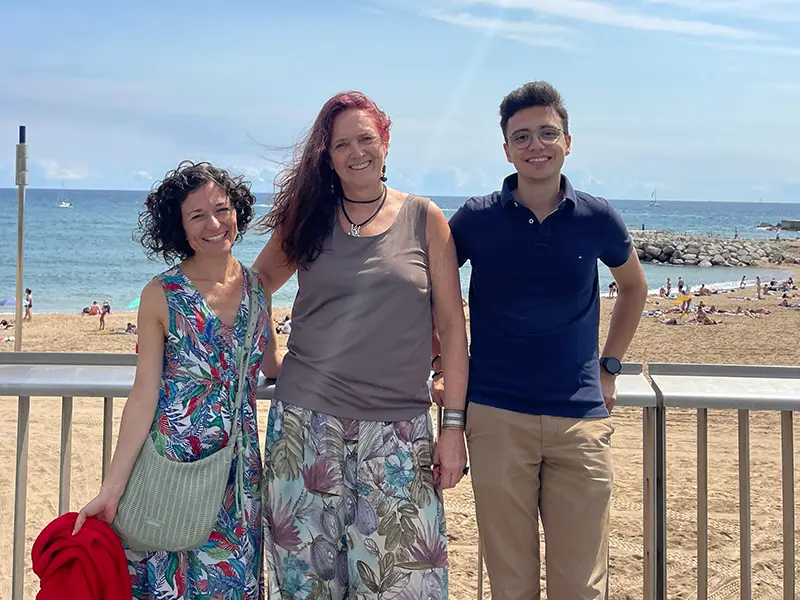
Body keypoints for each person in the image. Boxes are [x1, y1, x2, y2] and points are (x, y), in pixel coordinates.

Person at [433, 81, 648, 600]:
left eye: (548, 133)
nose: (536, 145)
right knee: (511, 584)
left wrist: (610, 367)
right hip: (496, 415)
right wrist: (439, 362)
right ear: (506, 149)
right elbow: (430, 288)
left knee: (582, 585)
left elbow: (634, 287)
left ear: (567, 142)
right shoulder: (477, 217)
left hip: (580, 419)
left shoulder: (597, 216)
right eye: (522, 136)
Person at [253, 90, 469, 600]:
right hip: (306, 428)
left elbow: (453, 327)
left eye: (366, 139)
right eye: (341, 144)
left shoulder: (425, 218)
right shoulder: (309, 217)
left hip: (398, 434)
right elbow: (254, 286)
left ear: (385, 142)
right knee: (306, 587)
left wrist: (454, 427)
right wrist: (270, 357)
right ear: (327, 157)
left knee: (403, 585)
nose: (356, 153)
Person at [73, 161, 282, 599]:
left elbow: (273, 367)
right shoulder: (160, 294)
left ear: (238, 212)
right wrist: (112, 488)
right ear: (179, 227)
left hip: (237, 474)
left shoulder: (258, 288)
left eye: (222, 210)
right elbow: (144, 392)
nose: (214, 224)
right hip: (171, 469)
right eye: (197, 216)